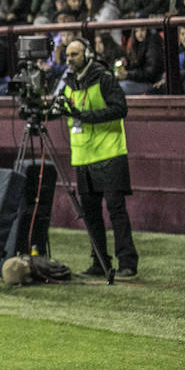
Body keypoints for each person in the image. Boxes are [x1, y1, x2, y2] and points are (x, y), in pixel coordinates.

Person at [57, 38, 137, 278]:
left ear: (88, 54)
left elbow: (120, 109)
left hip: (110, 153)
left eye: (75, 54)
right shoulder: (68, 83)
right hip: (83, 156)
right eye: (68, 55)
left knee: (116, 211)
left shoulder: (104, 78)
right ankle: (99, 262)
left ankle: (128, 263)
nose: (70, 59)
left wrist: (85, 115)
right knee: (90, 214)